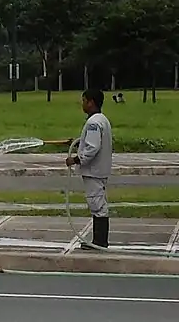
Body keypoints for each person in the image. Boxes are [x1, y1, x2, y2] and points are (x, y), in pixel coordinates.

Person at [65, 88, 113, 249]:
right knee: (98, 203)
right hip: (98, 170)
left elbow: (92, 148)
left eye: (84, 100)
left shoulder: (93, 123)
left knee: (97, 204)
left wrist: (76, 159)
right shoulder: (101, 119)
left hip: (94, 171)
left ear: (91, 102)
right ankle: (99, 241)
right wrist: (81, 143)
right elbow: (92, 142)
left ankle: (100, 242)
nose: (82, 104)